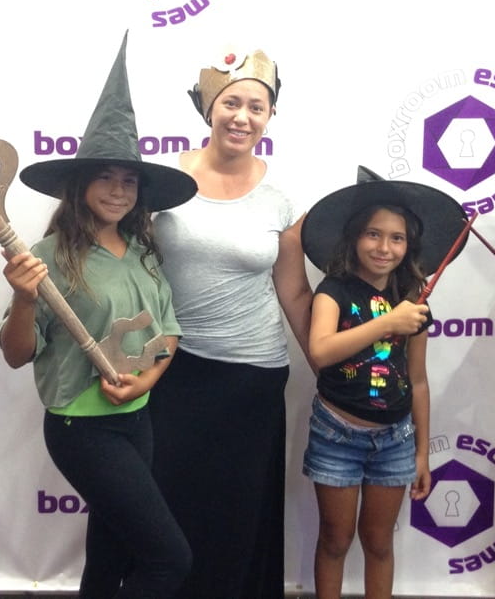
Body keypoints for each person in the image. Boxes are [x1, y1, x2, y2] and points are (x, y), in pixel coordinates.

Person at [0, 33, 197, 599]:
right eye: (106, 177)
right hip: (80, 427)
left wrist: (147, 380)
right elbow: (15, 355)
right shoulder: (46, 258)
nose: (118, 190)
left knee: (110, 554)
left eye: (128, 180)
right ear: (80, 184)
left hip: (137, 419)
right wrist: (24, 299)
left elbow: (168, 333)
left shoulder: (144, 253)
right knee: (169, 560)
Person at [147, 48, 314, 598]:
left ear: (270, 116)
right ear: (208, 109)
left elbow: (293, 291)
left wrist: (328, 366)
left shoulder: (281, 199)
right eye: (231, 103)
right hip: (172, 370)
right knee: (171, 510)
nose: (242, 117)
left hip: (253, 378)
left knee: (239, 517)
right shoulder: (163, 181)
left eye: (256, 107)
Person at [299, 166, 469, 599]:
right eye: (373, 234)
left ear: (409, 246)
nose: (384, 247)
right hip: (337, 434)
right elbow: (320, 351)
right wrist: (387, 323)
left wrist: (421, 452)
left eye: (397, 238)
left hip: (396, 439)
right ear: (355, 237)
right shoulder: (333, 290)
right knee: (335, 539)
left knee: (378, 542)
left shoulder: (413, 300)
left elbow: (419, 380)